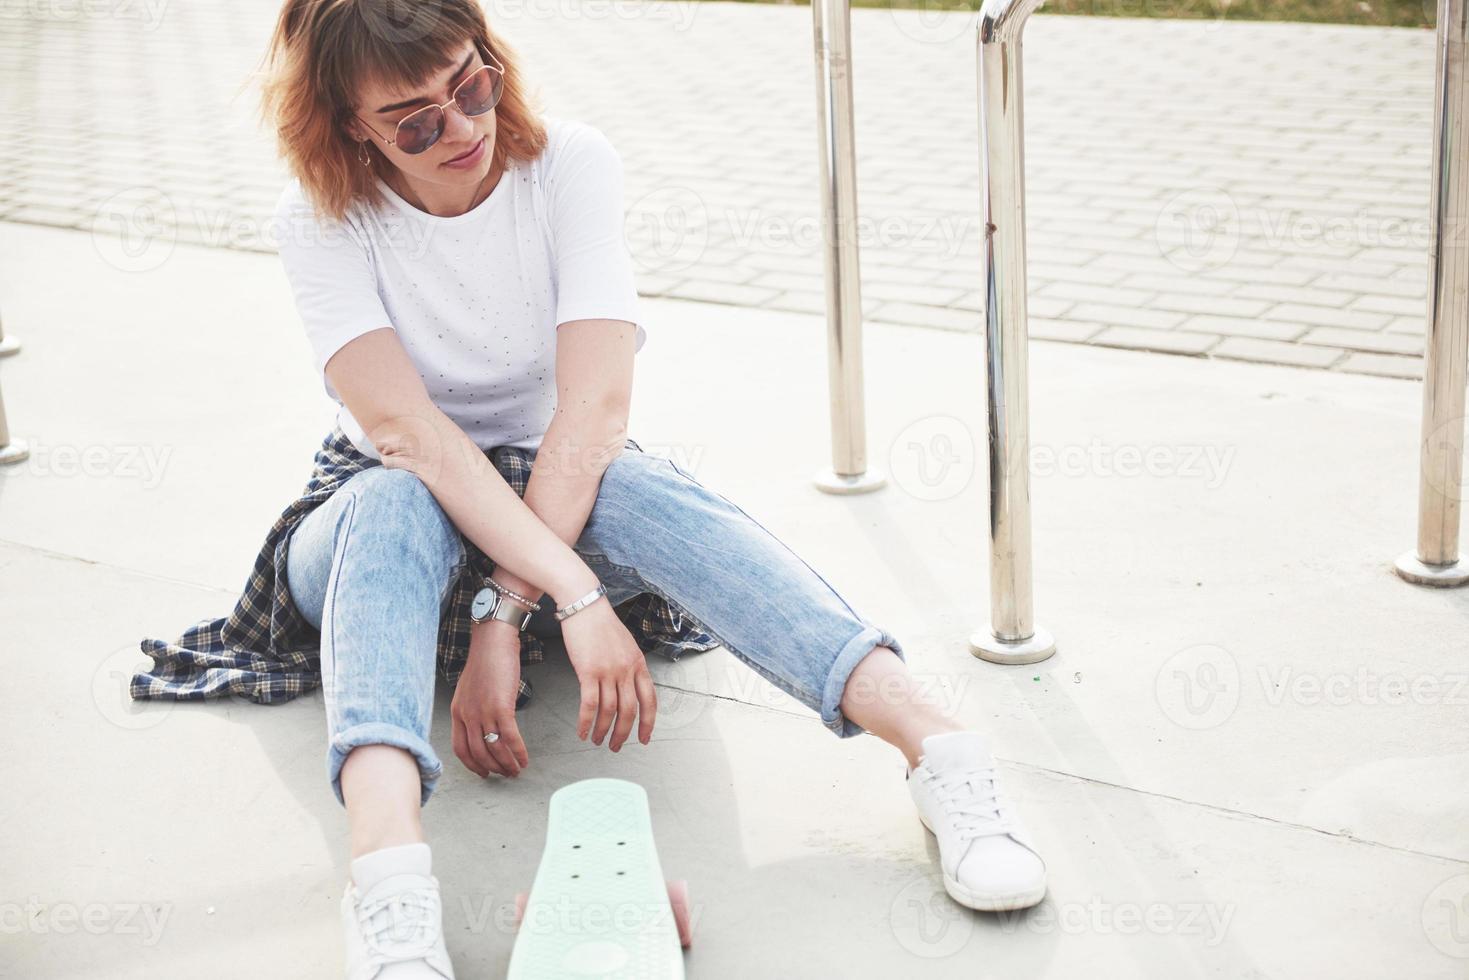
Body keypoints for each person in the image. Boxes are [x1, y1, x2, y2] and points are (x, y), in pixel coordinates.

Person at [132, 0, 1048, 974]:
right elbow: (412, 439)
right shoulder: (320, 218)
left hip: (551, 485)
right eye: (415, 119)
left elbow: (594, 409)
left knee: (632, 483)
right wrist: (566, 592)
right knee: (394, 498)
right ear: (350, 123)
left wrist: (504, 611)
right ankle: (388, 884)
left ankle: (940, 750)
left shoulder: (568, 164)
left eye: (471, 85)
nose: (464, 128)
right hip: (380, 519)